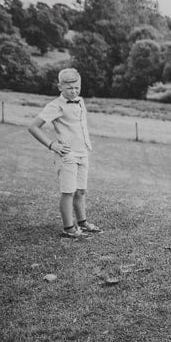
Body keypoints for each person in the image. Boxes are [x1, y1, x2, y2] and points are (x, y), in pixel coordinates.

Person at [28, 68, 102, 239]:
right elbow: (33, 127)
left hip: (83, 153)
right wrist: (52, 145)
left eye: (77, 87)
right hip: (67, 155)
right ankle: (68, 228)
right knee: (68, 192)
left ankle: (82, 224)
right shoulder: (55, 105)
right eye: (69, 88)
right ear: (59, 87)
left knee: (81, 191)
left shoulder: (80, 101)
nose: (74, 91)